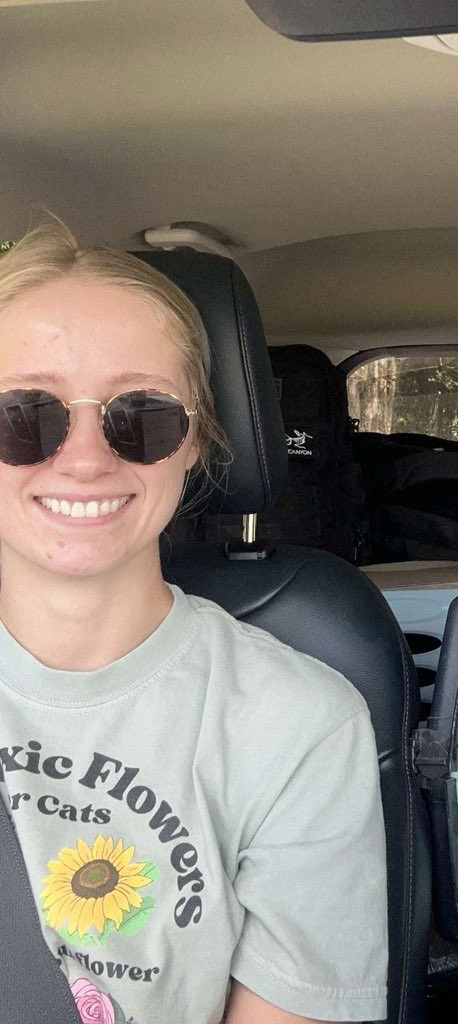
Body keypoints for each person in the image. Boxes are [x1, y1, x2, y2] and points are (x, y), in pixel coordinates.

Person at [0, 223, 387, 1024]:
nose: (82, 458)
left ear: (199, 442)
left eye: (140, 415)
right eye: (23, 414)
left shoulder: (299, 723)